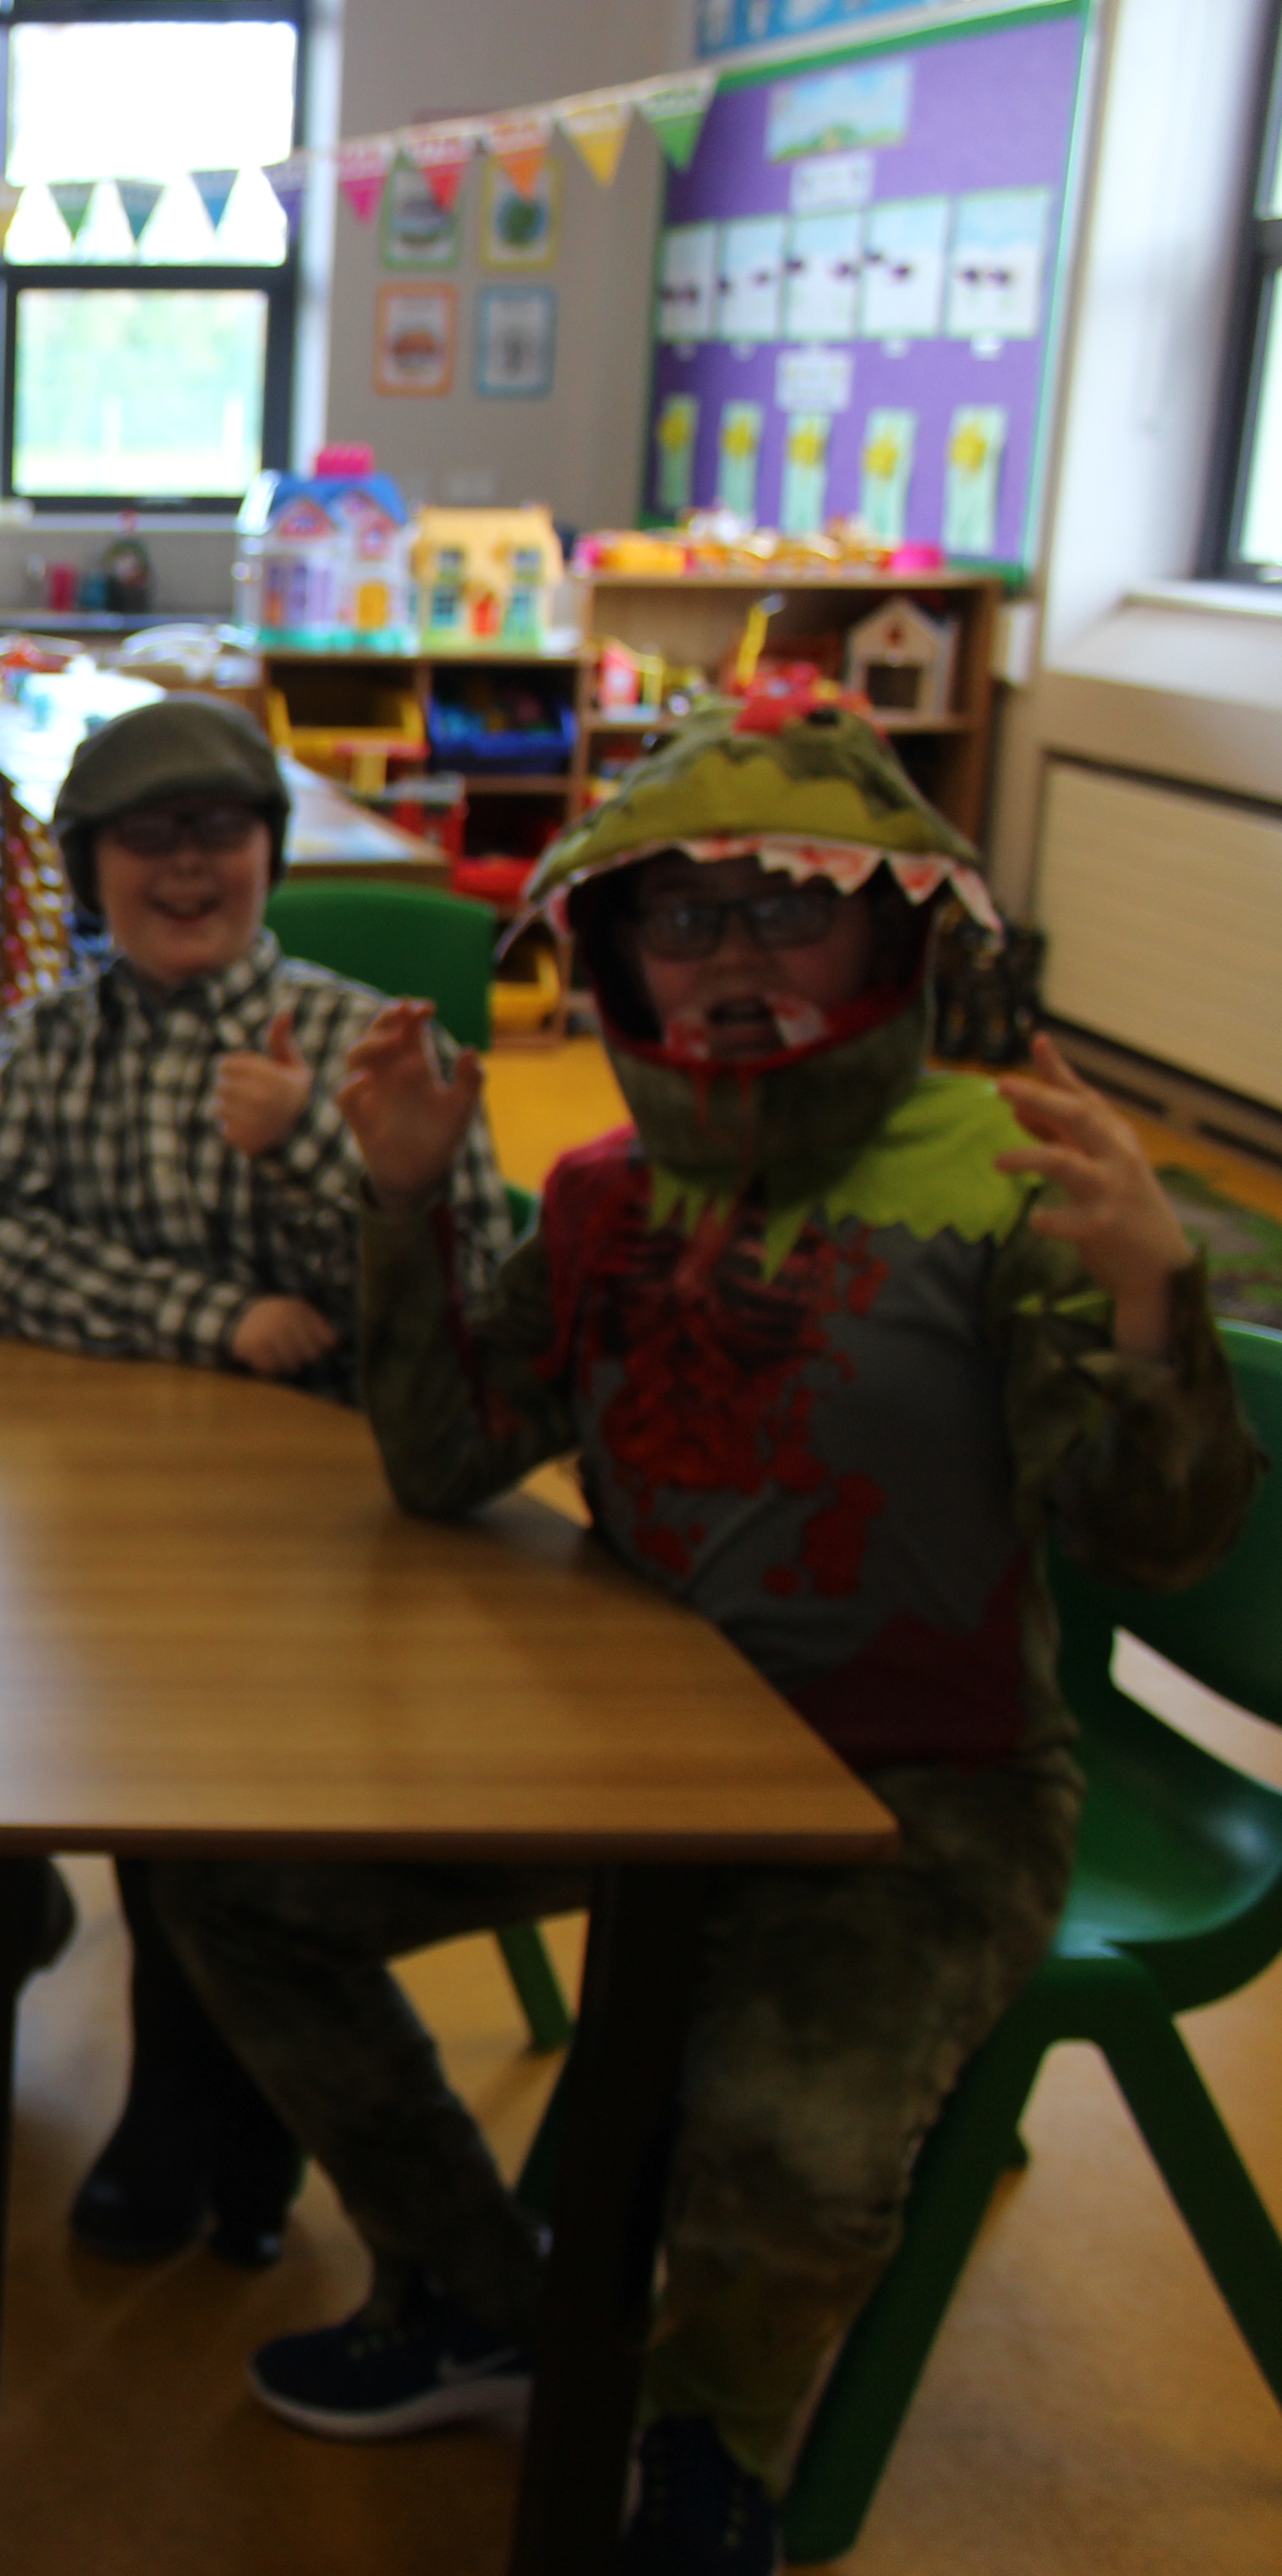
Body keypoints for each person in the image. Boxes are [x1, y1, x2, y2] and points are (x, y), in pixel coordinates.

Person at [161, 696, 1263, 2574]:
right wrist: (405, 1204)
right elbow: (442, 1462)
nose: (736, 962)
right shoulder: (605, 1194)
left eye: (788, 909)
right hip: (636, 1748)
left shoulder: (1007, 1186)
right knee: (238, 1887)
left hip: (922, 1795)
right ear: (617, 954)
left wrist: (1153, 1306)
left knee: (790, 2156)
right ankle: (479, 2289)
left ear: (892, 928)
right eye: (684, 921)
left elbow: (1148, 1544)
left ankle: (707, 2433)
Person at [0, 693, 516, 2270]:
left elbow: (476, 1316)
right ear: (89, 868)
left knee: (198, 1734)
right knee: (52, 1668)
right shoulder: (53, 1038)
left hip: (342, 1538)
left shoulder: (369, 1042)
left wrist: (318, 1149)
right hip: (109, 1519)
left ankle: (189, 2106)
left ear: (269, 852)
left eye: (217, 833)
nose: (184, 869)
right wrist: (212, 1318)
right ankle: (222, 2104)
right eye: (144, 839)